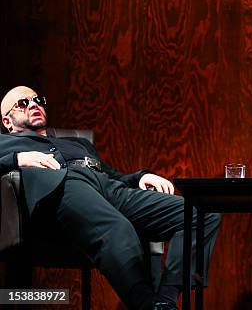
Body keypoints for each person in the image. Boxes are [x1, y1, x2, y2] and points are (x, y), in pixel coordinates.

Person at [0, 86, 221, 310]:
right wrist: (17, 158)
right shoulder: (5, 143)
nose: (34, 105)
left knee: (200, 214)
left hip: (107, 187)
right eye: (23, 103)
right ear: (7, 121)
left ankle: (165, 300)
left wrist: (140, 176)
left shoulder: (79, 144)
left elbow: (110, 173)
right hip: (62, 187)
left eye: (37, 99)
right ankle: (146, 303)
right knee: (118, 227)